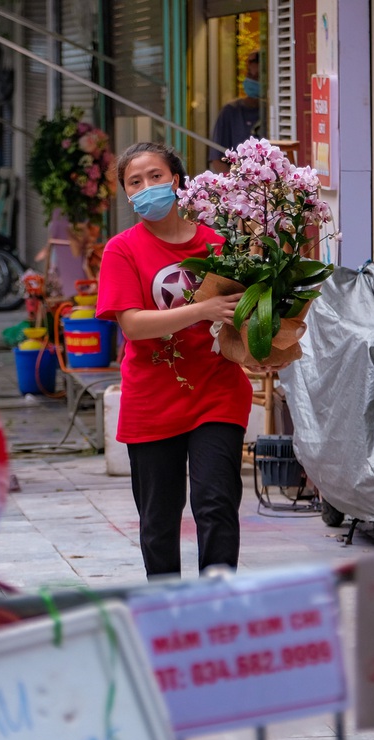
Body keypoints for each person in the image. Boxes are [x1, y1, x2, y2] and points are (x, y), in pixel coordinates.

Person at [95, 142, 253, 578]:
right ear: (127, 195)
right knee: (159, 521)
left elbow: (242, 315)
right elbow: (133, 325)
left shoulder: (219, 245)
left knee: (217, 504)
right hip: (152, 398)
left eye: (156, 176)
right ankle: (167, 612)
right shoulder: (122, 250)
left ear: (177, 180)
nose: (147, 187)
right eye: (135, 182)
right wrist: (201, 311)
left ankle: (218, 606)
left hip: (216, 390)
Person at [208, 50, 263, 173]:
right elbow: (217, 159)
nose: (252, 80)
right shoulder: (231, 112)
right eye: (250, 75)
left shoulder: (274, 115)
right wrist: (235, 186)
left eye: (257, 77)